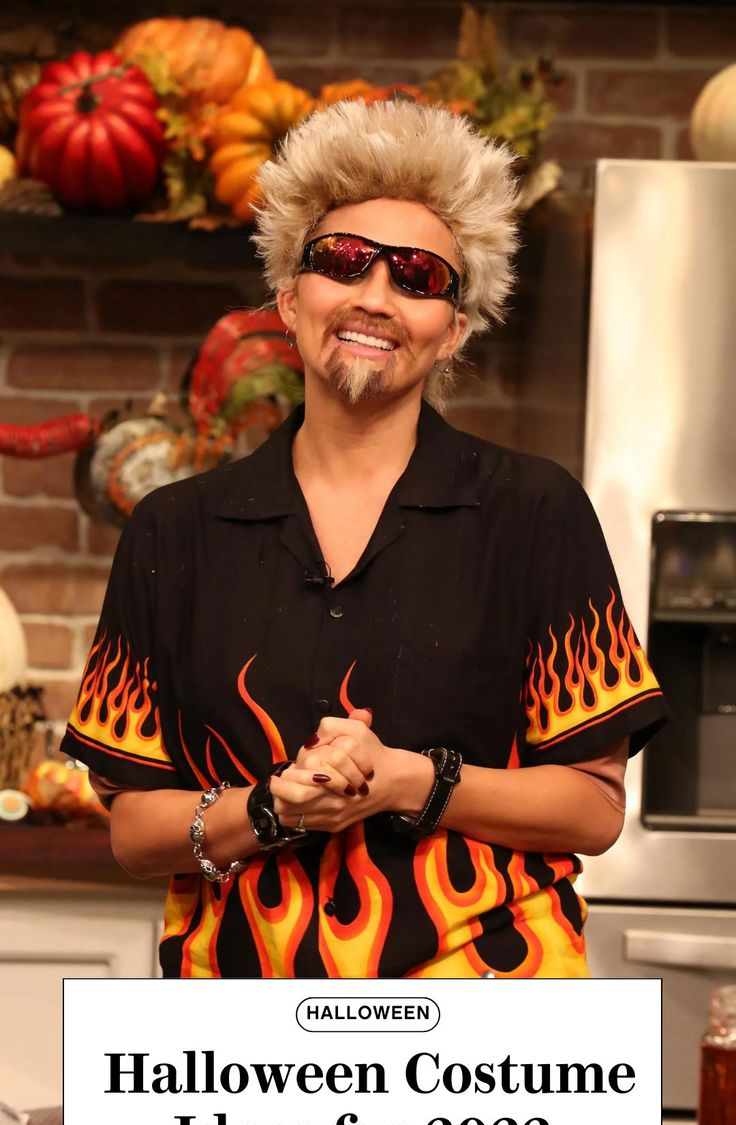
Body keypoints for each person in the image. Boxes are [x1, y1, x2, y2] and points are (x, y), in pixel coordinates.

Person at [60, 98, 670, 980]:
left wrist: (410, 781)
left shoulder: (535, 513)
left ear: (455, 328)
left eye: (420, 278)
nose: (375, 297)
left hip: (492, 1039)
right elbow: (134, 831)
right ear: (288, 293)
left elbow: (592, 808)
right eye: (342, 262)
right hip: (236, 1060)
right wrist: (270, 810)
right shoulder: (175, 530)